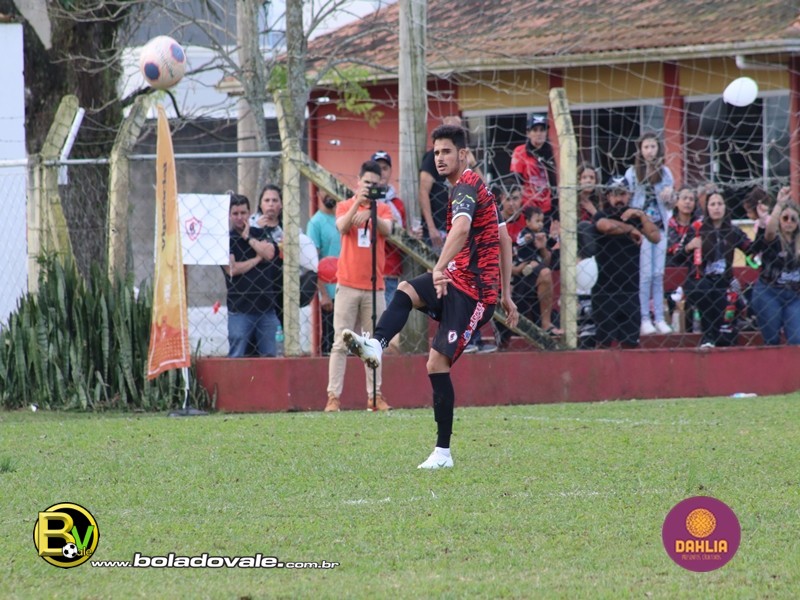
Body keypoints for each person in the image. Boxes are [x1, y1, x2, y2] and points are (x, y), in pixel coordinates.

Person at [342, 124, 518, 469]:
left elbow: (463, 229)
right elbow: (504, 239)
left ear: (463, 154)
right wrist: (508, 293)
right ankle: (376, 344)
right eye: (436, 152)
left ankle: (443, 453)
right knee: (406, 291)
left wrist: (441, 268)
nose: (439, 158)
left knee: (436, 364)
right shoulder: (475, 187)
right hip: (457, 279)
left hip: (475, 294)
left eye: (447, 151)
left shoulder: (466, 186)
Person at [324, 160, 395, 412]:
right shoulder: (344, 205)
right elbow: (342, 226)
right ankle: (333, 397)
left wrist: (372, 212)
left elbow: (388, 230)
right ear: (358, 181)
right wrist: (358, 204)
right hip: (347, 284)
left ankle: (375, 395)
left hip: (375, 287)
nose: (370, 187)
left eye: (375, 185)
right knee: (340, 342)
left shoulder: (383, 209)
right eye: (366, 183)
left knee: (374, 343)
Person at [592, 176, 661, 348]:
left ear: (629, 195)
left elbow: (655, 237)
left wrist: (641, 215)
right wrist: (630, 229)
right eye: (615, 194)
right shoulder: (602, 215)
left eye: (622, 194)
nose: (619, 199)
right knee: (604, 343)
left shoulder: (635, 217)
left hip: (630, 290)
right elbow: (606, 226)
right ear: (608, 197)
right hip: (604, 290)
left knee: (630, 343)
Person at [683, 190, 753, 348]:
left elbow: (750, 249)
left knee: (729, 292)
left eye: (720, 204)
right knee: (705, 289)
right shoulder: (697, 228)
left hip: (724, 280)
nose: (716, 208)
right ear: (706, 208)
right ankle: (708, 336)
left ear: (725, 207)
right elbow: (678, 256)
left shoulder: (733, 231)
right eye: (712, 204)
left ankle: (721, 335)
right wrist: (689, 247)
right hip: (699, 280)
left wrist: (761, 224)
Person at [624, 131, 675, 335]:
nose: (650, 151)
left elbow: (671, 204)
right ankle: (644, 318)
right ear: (640, 150)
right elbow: (626, 200)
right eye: (646, 147)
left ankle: (660, 318)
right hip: (641, 230)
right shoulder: (631, 173)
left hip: (660, 228)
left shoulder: (665, 172)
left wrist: (670, 195)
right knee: (645, 274)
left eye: (653, 146)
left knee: (658, 274)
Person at [222, 193, 282, 357]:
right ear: (229, 215)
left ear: (249, 213)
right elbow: (232, 269)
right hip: (240, 309)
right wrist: (257, 259)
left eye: (243, 213)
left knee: (270, 357)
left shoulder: (259, 232)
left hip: (266, 308)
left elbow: (269, 253)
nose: (239, 217)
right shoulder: (226, 239)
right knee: (237, 355)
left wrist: (248, 238)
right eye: (235, 213)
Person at [418, 116, 480, 253]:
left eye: (456, 129)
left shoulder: (464, 159)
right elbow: (423, 191)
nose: (440, 157)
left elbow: (484, 190)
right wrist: (431, 228)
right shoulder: (433, 158)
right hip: (439, 228)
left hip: (464, 227)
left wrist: (473, 163)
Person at [750, 187, 800, 345]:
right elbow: (769, 231)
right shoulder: (774, 240)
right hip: (769, 291)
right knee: (771, 339)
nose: (789, 222)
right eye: (785, 218)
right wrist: (779, 205)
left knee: (797, 339)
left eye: (793, 219)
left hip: (795, 295)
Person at [512, 205, 562, 335]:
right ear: (528, 222)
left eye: (541, 221)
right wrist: (528, 238)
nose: (540, 224)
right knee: (536, 266)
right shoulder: (525, 233)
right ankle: (529, 267)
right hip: (522, 265)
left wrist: (544, 245)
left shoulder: (542, 233)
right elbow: (519, 242)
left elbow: (549, 258)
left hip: (538, 266)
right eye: (537, 221)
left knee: (542, 269)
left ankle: (545, 323)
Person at [307, 189, 341, 354]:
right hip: (330, 293)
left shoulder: (344, 218)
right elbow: (313, 263)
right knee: (331, 342)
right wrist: (324, 294)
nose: (328, 194)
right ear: (318, 193)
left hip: (350, 288)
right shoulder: (315, 223)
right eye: (324, 190)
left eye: (331, 190)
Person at [370, 150, 406, 306]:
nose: (381, 172)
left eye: (385, 168)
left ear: (391, 171)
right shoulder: (361, 199)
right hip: (366, 268)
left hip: (389, 268)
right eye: (377, 168)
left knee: (386, 315)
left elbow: (404, 236)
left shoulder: (397, 204)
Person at [509, 113, 558, 220]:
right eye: (535, 130)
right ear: (528, 133)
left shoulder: (553, 152)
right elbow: (516, 181)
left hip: (548, 209)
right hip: (527, 208)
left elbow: (555, 183)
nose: (539, 133)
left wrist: (556, 215)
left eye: (542, 130)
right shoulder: (520, 151)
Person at [666, 186, 700, 268]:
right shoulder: (669, 224)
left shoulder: (699, 223)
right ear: (676, 202)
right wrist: (689, 246)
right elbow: (674, 249)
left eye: (691, 199)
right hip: (672, 265)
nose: (687, 202)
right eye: (684, 198)